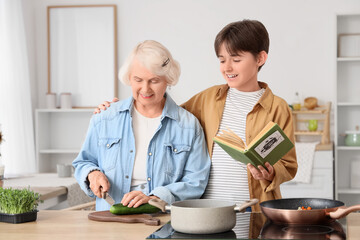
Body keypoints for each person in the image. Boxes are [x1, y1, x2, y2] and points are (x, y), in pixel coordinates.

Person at [94, 20, 297, 212]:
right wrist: (118, 108)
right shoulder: (207, 99)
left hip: (255, 207)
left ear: (260, 58)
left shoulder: (278, 108)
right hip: (207, 211)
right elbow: (164, 113)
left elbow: (288, 165)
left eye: (236, 60)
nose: (227, 67)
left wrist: (271, 173)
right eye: (222, 60)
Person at [73, 40, 211, 211]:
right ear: (129, 78)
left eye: (154, 80)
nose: (145, 89)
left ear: (168, 80)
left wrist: (155, 198)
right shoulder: (105, 117)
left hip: (162, 221)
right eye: (138, 79)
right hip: (109, 221)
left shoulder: (188, 125)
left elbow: (196, 181)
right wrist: (92, 174)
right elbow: (83, 162)